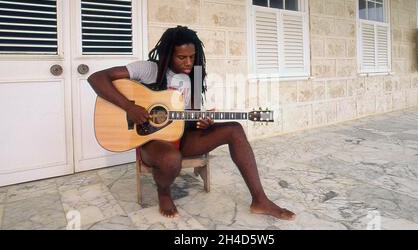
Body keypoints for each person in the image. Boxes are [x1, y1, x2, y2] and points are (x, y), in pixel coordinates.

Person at [88, 26, 295, 220]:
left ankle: (260, 200)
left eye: (192, 56)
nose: (188, 62)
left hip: (183, 136)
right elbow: (97, 78)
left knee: (234, 129)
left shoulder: (195, 75)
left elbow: (192, 115)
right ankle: (164, 192)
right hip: (153, 140)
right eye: (182, 57)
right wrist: (130, 107)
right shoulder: (149, 69)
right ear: (169, 55)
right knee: (171, 158)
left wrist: (201, 122)